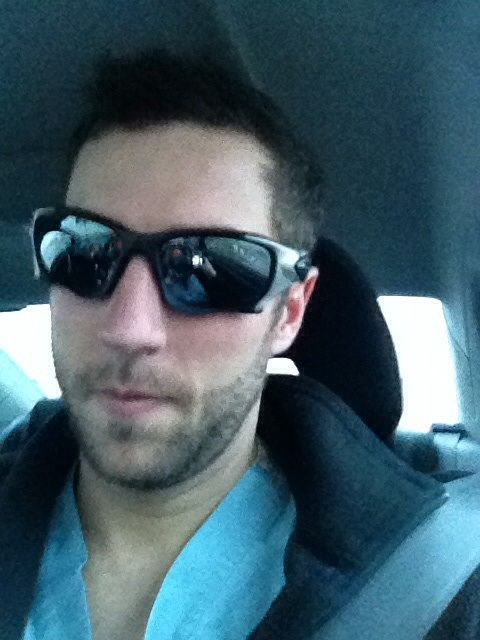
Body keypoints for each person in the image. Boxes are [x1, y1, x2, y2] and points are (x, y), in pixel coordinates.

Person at [0, 49, 472, 640]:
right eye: (85, 252)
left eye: (210, 269)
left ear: (289, 313)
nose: (129, 329)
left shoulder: (442, 592)